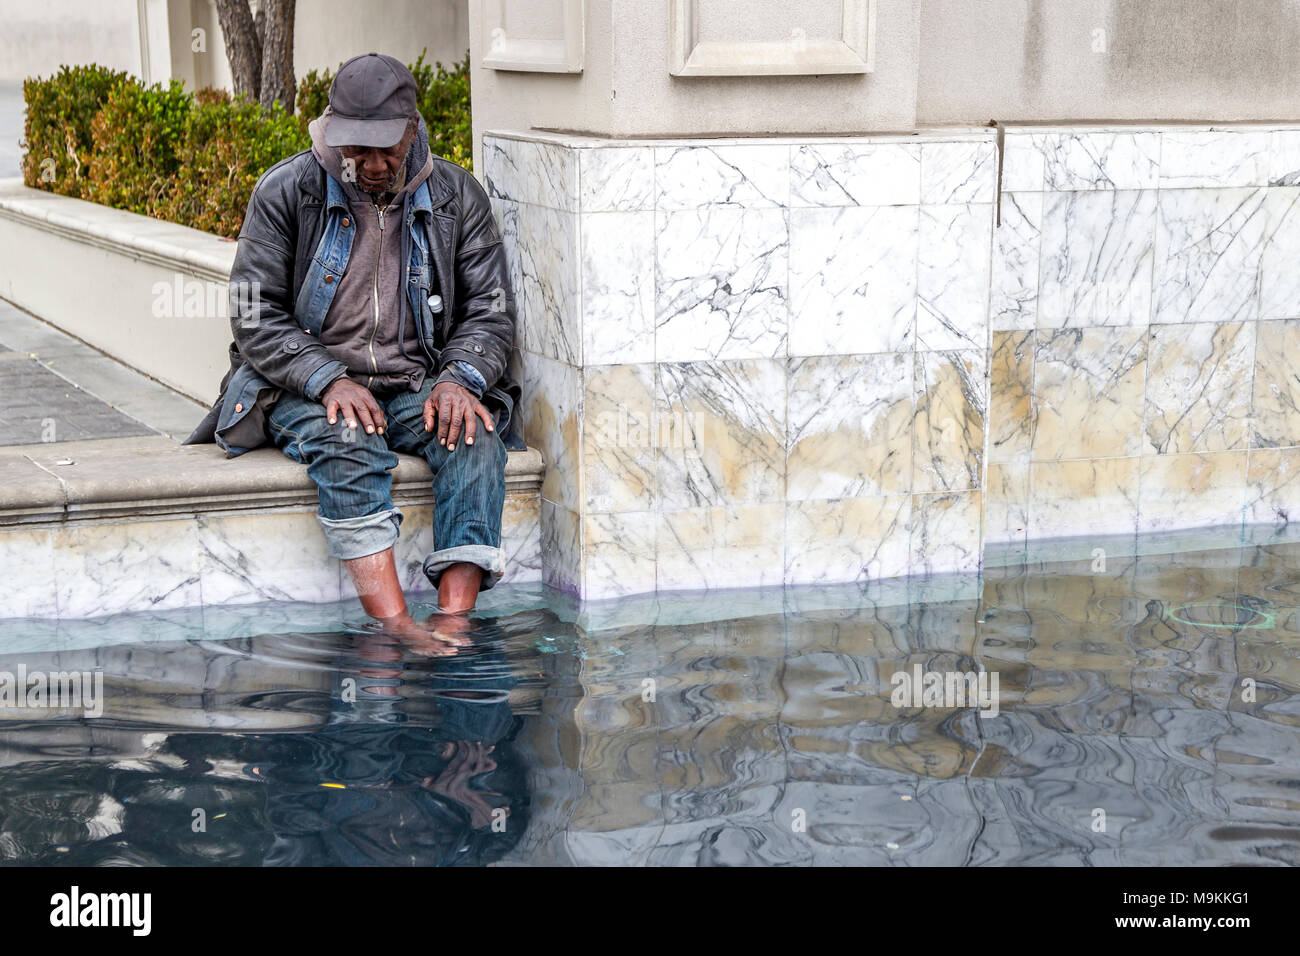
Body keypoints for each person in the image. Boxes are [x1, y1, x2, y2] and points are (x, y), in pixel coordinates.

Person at [183, 52, 521, 637]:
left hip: (415, 382)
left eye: (382, 148)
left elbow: (491, 313)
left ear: (412, 129)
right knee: (349, 439)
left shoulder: (457, 197)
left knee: (474, 435)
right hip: (303, 387)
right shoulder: (286, 190)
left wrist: (458, 379)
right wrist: (326, 378)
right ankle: (394, 626)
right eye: (354, 148)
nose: (366, 163)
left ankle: (453, 621)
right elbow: (252, 313)